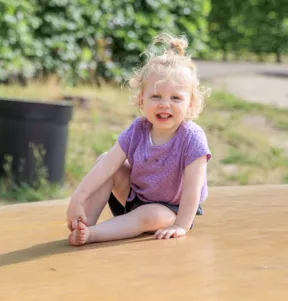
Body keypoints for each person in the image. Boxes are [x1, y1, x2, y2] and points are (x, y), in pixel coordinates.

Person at [66, 33, 212, 246]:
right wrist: (77, 198)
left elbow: (192, 190)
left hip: (172, 210)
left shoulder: (192, 137)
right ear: (141, 99)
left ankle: (93, 234)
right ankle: (84, 224)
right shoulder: (138, 129)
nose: (164, 104)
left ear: (190, 103)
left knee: (148, 215)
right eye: (156, 96)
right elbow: (106, 166)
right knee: (106, 160)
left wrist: (181, 225)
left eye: (175, 98)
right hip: (135, 197)